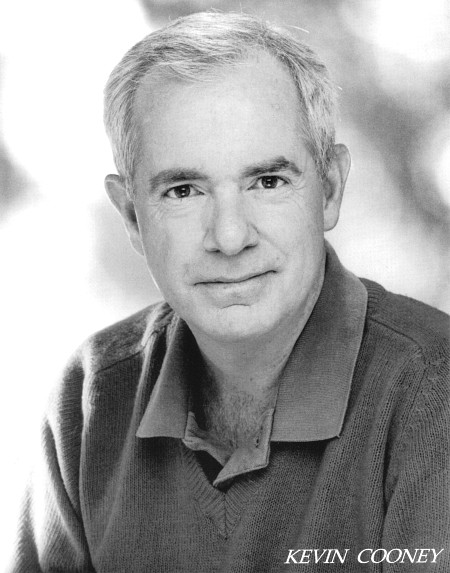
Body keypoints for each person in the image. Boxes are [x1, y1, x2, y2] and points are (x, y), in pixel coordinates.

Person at [10, 11, 449, 572]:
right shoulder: (90, 401)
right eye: (183, 190)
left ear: (330, 189)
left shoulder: (434, 394)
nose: (230, 237)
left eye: (267, 181)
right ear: (132, 217)